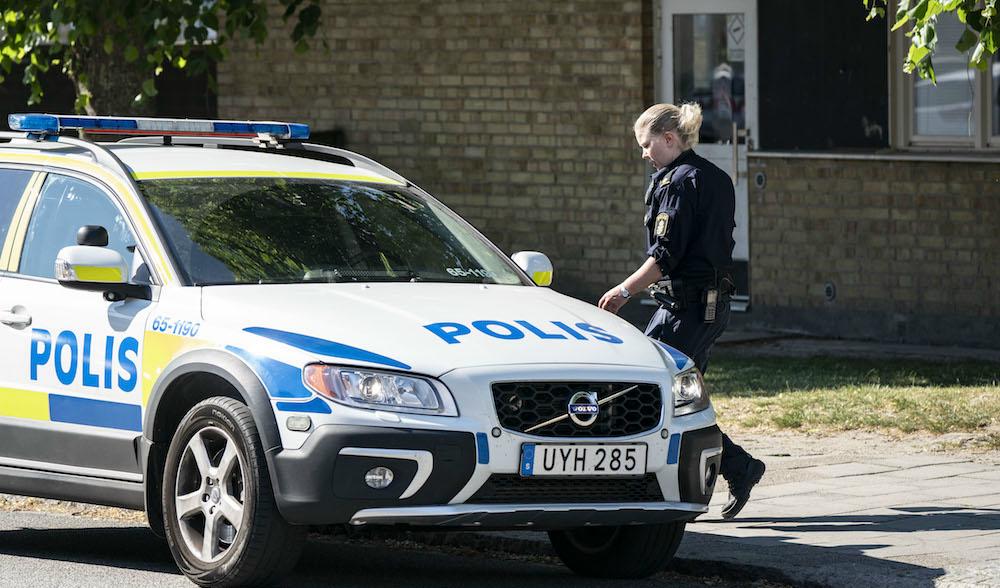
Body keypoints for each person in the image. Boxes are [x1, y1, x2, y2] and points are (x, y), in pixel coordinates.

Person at [598, 102, 765, 520]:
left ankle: (732, 468)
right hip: (704, 305)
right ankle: (737, 468)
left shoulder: (678, 182)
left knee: (652, 393)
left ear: (669, 139)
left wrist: (623, 291)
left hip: (687, 308)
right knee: (671, 397)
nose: (643, 154)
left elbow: (665, 256)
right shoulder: (715, 177)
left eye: (646, 144)